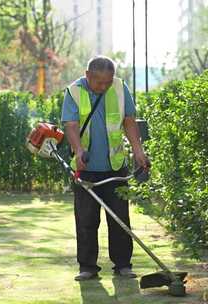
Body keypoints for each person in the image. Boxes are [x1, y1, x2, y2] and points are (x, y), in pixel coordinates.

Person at [61, 55, 149, 281]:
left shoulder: (119, 88)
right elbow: (70, 126)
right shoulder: (73, 92)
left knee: (120, 218)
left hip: (115, 166)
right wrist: (79, 150)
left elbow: (129, 121)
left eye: (108, 82)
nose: (104, 86)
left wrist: (138, 151)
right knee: (86, 219)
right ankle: (88, 267)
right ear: (87, 75)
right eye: (99, 82)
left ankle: (123, 265)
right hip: (86, 168)